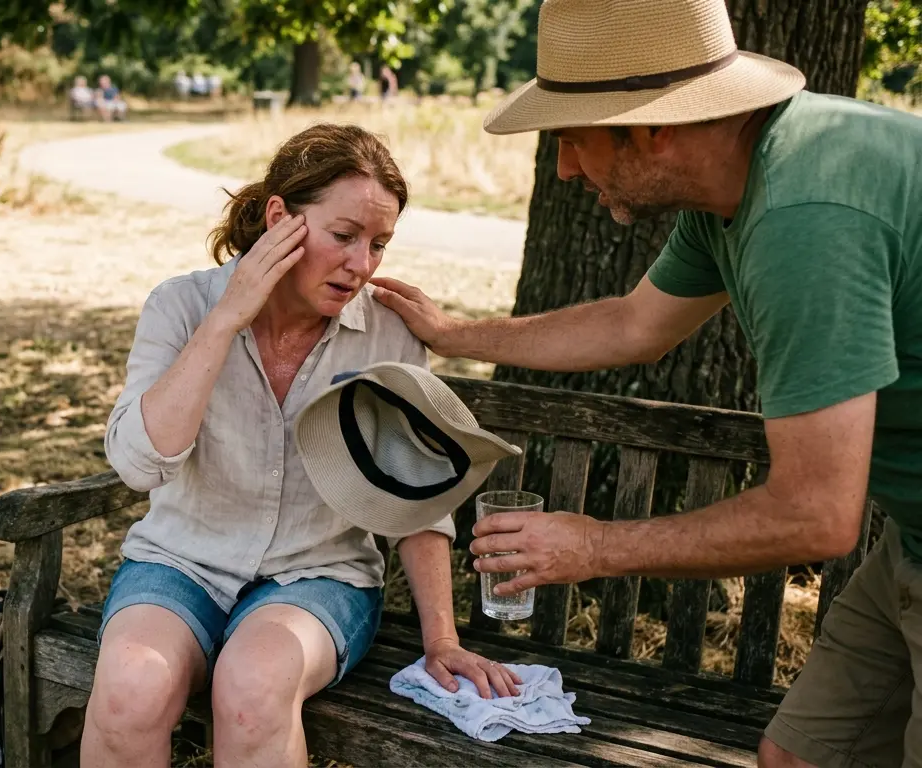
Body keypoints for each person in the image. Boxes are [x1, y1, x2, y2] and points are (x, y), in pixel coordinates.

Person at [370, 1, 922, 766]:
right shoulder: (738, 182)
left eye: (571, 139)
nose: (563, 168)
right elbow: (634, 326)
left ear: (653, 125)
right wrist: (455, 335)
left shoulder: (805, 219)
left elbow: (816, 516)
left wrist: (595, 544)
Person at [83, 123, 520, 768]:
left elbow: (419, 497)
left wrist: (443, 638)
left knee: (253, 688)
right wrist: (227, 317)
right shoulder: (181, 307)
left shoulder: (388, 334)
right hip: (181, 563)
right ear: (280, 218)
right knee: (129, 687)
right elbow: (138, 463)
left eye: (379, 244)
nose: (361, 264)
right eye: (343, 236)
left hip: (319, 576)